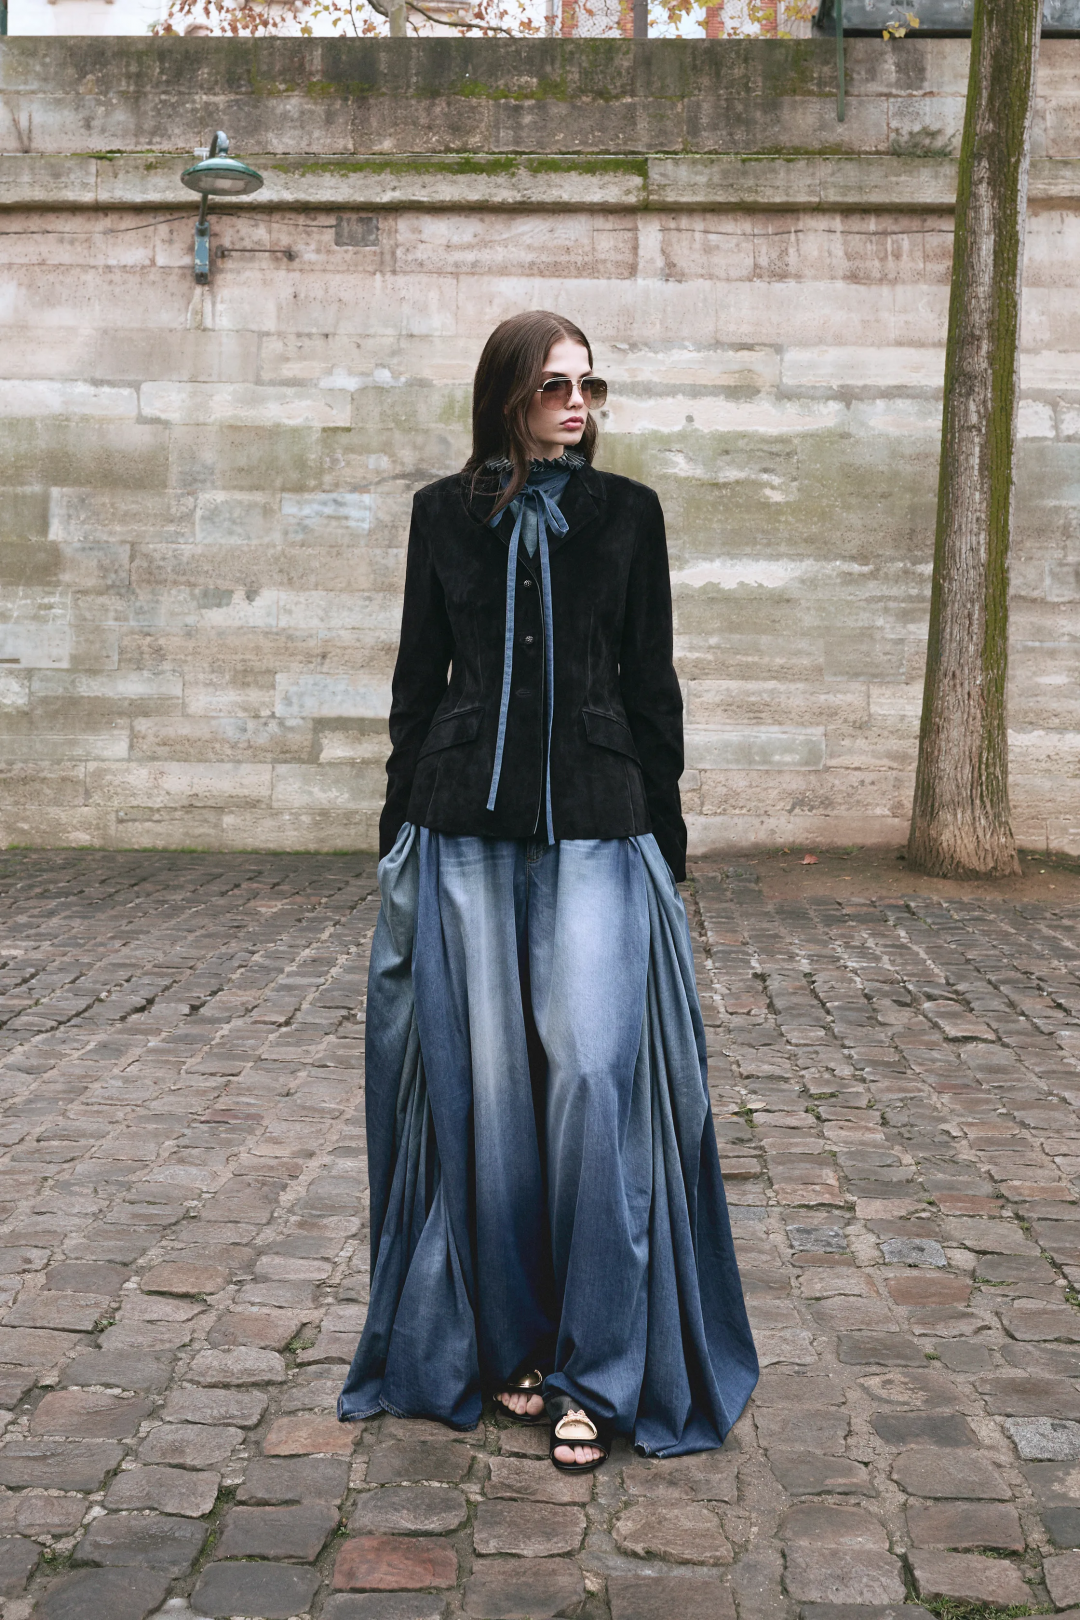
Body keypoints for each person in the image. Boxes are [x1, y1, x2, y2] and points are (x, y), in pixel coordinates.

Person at [338, 310, 757, 1471]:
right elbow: (418, 682)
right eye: (556, 385)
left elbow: (652, 684)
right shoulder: (441, 515)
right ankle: (514, 1349)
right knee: (491, 1101)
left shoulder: (629, 515)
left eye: (590, 385)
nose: (579, 404)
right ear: (508, 396)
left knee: (590, 1078)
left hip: (598, 823)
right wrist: (396, 834)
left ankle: (600, 1367)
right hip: (461, 826)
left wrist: (666, 842)